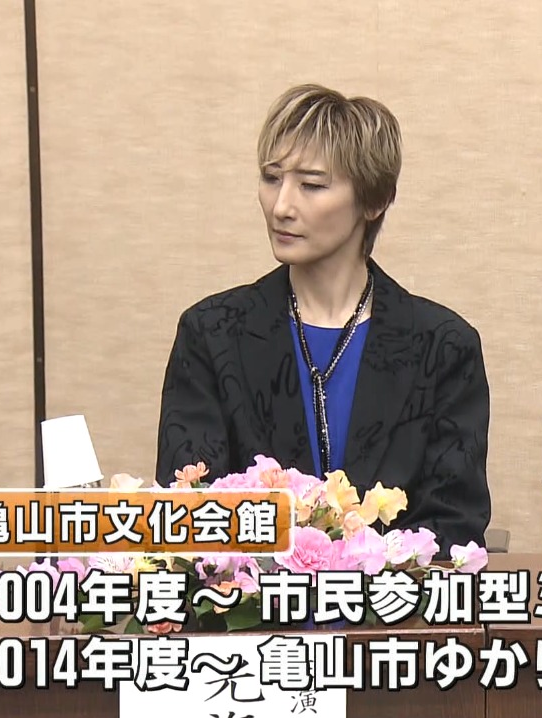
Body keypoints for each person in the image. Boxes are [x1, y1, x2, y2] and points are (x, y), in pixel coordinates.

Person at [155, 84, 491, 555]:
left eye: (311, 185)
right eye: (271, 179)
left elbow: (454, 523)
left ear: (374, 200)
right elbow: (189, 512)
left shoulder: (442, 346)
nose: (281, 206)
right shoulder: (212, 333)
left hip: (387, 602)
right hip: (256, 601)